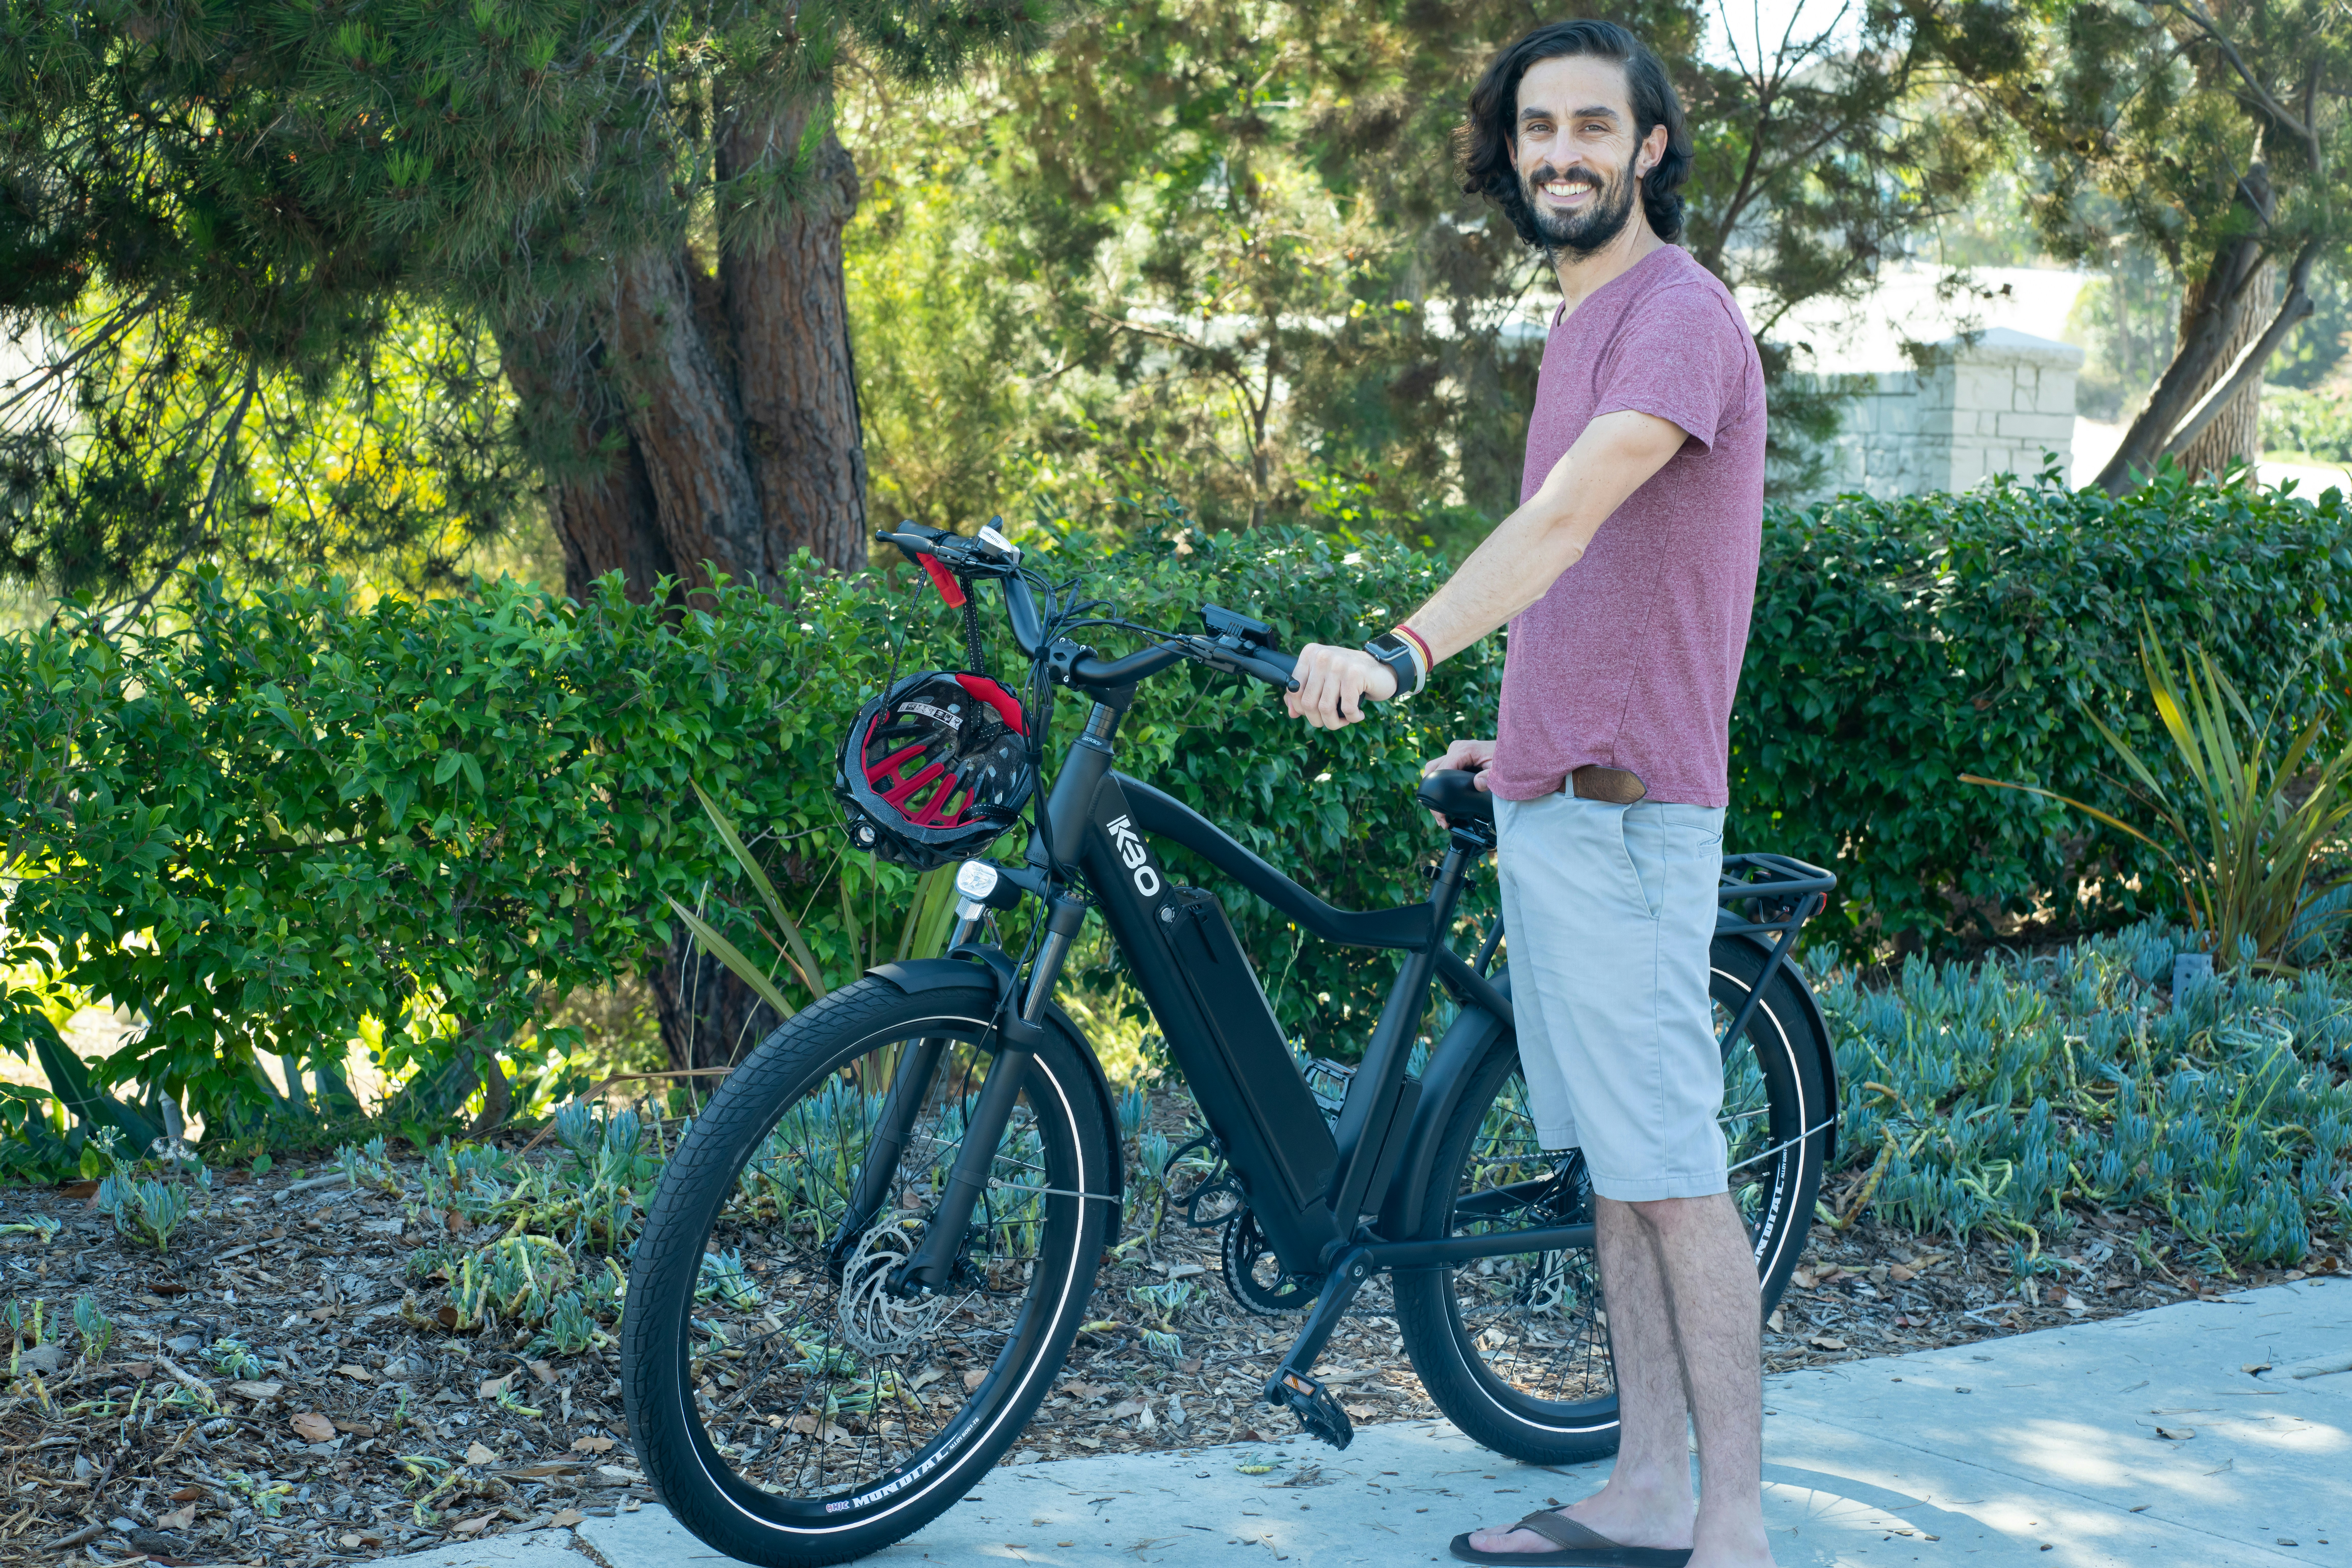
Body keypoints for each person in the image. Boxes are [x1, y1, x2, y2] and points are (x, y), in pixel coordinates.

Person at [1281, 19, 1772, 1568]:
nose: (1560, 152)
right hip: (1569, 798)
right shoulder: (1581, 326)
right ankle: (1637, 1484)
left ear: (1649, 149)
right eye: (1534, 129)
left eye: (1592, 127)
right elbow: (1608, 587)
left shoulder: (1673, 314)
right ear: (1510, 153)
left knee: (1675, 1176)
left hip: (1631, 824)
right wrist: (1528, 735)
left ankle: (1735, 1528)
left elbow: (1564, 523)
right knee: (1615, 1177)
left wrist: (1405, 648)